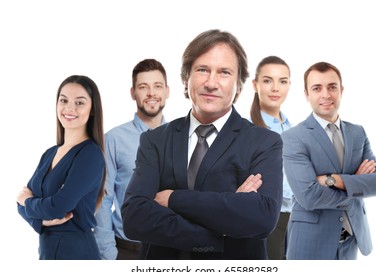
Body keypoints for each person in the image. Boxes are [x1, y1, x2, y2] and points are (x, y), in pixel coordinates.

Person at [121, 29, 283, 260]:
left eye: (224, 72)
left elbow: (262, 218)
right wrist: (222, 231)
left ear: (238, 84)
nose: (211, 83)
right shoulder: (155, 140)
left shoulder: (264, 142)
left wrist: (173, 199)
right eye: (202, 70)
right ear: (186, 80)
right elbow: (134, 219)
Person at [281, 61, 376, 260]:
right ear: (306, 94)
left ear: (341, 90)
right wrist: (356, 184)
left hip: (351, 240)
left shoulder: (358, 132)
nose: (326, 95)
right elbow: (309, 197)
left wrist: (332, 180)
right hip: (310, 243)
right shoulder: (293, 137)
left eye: (332, 87)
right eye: (317, 88)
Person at [16, 75, 106, 260]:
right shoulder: (49, 154)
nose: (69, 108)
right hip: (48, 252)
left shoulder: (90, 154)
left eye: (79, 103)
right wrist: (42, 221)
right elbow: (19, 205)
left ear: (92, 110)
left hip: (77, 254)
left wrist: (28, 202)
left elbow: (58, 206)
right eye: (63, 100)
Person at [94, 59, 169, 260]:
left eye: (157, 86)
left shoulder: (183, 137)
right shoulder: (113, 139)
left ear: (167, 92)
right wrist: (110, 256)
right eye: (143, 87)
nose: (151, 93)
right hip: (128, 251)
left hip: (172, 248)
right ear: (133, 93)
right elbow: (102, 199)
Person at [250, 55, 293, 260]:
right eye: (268, 81)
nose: (275, 88)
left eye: (282, 81)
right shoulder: (246, 129)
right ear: (255, 84)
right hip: (266, 222)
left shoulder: (292, 129)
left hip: (296, 220)